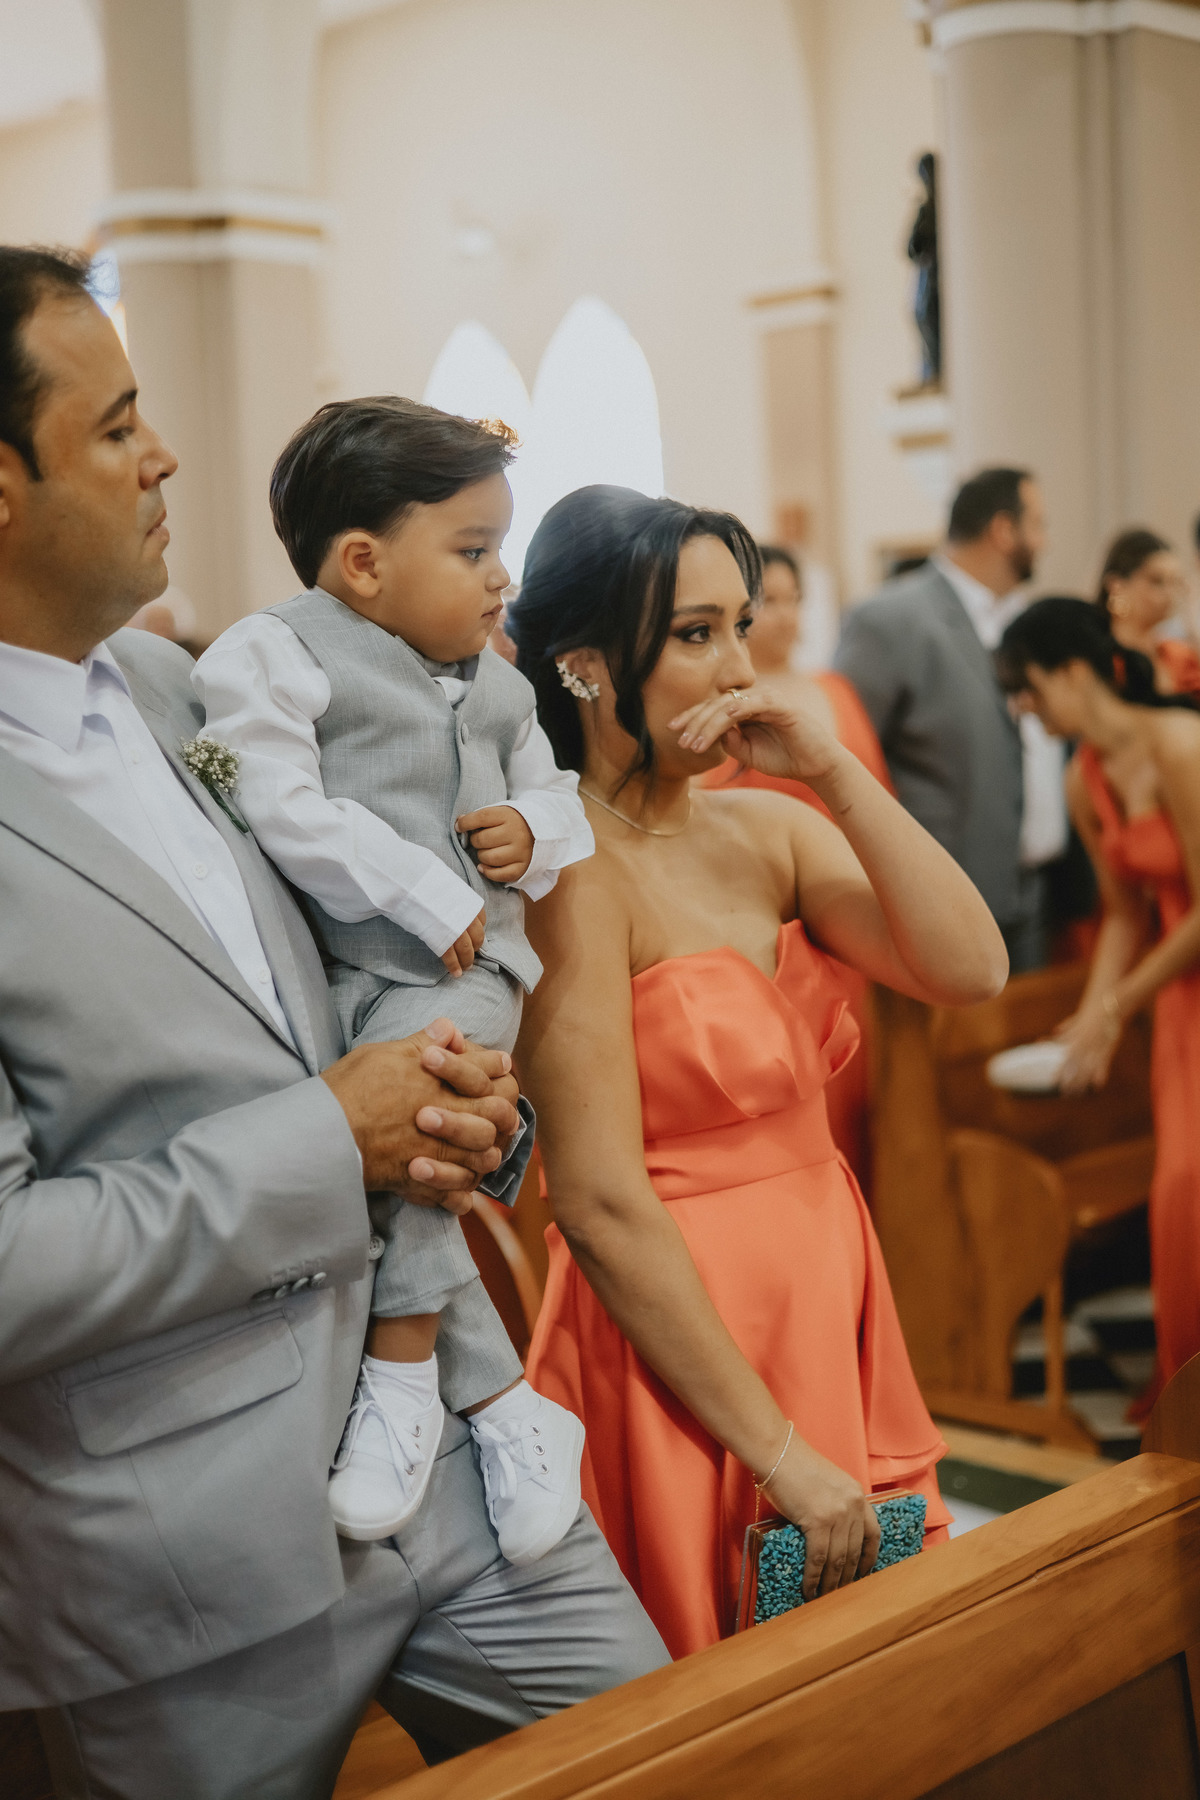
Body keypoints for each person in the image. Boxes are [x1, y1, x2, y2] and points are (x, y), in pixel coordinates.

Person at [0, 247, 666, 1800]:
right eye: (117, 426)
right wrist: (330, 1136)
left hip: (443, 1439)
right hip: (180, 1556)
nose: (166, 456)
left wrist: (457, 1095)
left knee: (695, 1756)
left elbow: (360, 955)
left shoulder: (182, 692)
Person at [507, 485, 1008, 1658]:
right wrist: (776, 1449)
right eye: (696, 634)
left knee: (873, 1664)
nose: (740, 669)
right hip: (687, 1333)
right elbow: (599, 1201)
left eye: (741, 625)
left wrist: (830, 771)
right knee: (735, 1673)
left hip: (826, 1284)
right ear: (585, 665)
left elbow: (970, 967)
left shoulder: (767, 831)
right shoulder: (566, 870)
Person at [195, 399, 590, 1559]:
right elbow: (278, 801)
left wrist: (533, 826)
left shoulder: (501, 683)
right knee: (376, 1170)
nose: (501, 577)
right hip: (337, 973)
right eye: (473, 550)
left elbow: (559, 799)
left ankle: (404, 1374)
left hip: (472, 973)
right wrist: (419, 885)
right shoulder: (276, 650)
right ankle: (508, 1404)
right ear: (363, 564)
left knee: (419, 1128)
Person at [996, 598, 1200, 1416]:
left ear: (1074, 672)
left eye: (1029, 688)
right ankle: (1186, 1388)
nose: (1025, 708)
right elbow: (1121, 914)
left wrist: (1116, 1007)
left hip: (1178, 972)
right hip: (1178, 997)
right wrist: (1089, 1018)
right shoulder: (1085, 777)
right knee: (1180, 1190)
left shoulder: (1180, 746)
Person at [698, 543, 892, 1184]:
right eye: (768, 603)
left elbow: (878, 799)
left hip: (853, 914)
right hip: (775, 931)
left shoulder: (836, 690)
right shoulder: (729, 703)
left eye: (794, 599)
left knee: (863, 1092)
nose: (785, 616)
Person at [836, 467, 1066, 972]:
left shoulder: (1023, 617)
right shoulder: (892, 620)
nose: (1045, 541)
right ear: (1003, 530)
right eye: (1038, 525)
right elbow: (845, 758)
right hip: (943, 905)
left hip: (1032, 897)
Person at [1094, 526, 1199, 697]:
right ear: (1116, 585)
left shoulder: (1179, 656)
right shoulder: (1097, 657)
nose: (1169, 593)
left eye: (1174, 582)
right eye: (1157, 582)